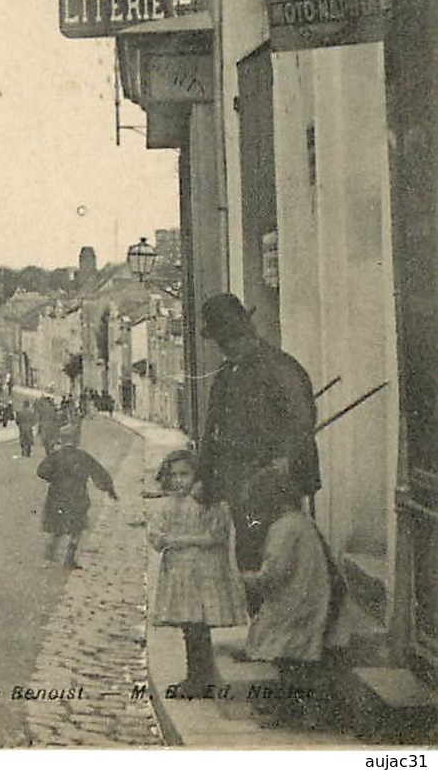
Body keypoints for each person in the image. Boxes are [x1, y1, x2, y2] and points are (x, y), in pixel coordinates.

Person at [196, 293, 320, 574]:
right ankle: (259, 614)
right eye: (223, 342)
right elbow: (212, 428)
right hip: (238, 479)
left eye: (234, 339)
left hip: (272, 480)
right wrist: (203, 476)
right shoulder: (226, 375)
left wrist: (287, 459)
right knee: (248, 550)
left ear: (247, 331)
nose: (228, 347)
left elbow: (302, 422)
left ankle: (281, 614)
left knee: (277, 552)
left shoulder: (280, 368)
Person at [241, 471, 346, 725]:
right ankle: (290, 706)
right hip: (309, 593)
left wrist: (249, 580)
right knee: (293, 656)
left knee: (287, 656)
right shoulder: (301, 522)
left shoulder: (283, 529)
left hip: (298, 601)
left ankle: (290, 712)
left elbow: (275, 571)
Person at [148, 449, 248, 694]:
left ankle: (199, 679)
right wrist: (163, 538)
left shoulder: (211, 505)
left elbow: (217, 536)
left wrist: (178, 540)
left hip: (203, 575)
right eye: (174, 475)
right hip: (179, 575)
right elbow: (156, 535)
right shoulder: (169, 505)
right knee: (189, 628)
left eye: (185, 474)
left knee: (198, 627)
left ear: (198, 475)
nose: (179, 480)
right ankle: (195, 676)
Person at [36, 432, 118, 569]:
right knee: (77, 528)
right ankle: (69, 558)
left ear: (61, 441)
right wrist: (109, 489)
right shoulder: (82, 456)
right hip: (77, 496)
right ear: (76, 441)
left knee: (58, 525)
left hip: (58, 495)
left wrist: (54, 478)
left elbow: (41, 471)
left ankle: (50, 551)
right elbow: (99, 472)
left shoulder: (56, 456)